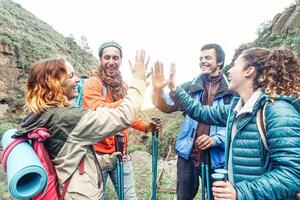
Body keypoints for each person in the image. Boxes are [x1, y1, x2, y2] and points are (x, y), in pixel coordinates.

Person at [152, 47, 300, 200]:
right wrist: (173, 88)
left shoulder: (279, 112)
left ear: (249, 71)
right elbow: (202, 112)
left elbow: (294, 173)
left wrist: (240, 192)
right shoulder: (236, 108)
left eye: (235, 65)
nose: (229, 71)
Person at [14, 49, 149, 199]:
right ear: (54, 83)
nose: (77, 80)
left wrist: (106, 160)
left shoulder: (42, 114)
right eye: (71, 76)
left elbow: (68, 158)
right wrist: (139, 79)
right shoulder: (67, 119)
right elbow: (123, 116)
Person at [151, 43, 234, 199]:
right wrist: (157, 90)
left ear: (220, 62)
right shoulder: (190, 87)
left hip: (217, 158)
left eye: (208, 58)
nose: (202, 61)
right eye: (201, 58)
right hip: (188, 155)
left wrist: (216, 139)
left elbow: (234, 122)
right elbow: (167, 106)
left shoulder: (231, 89)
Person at [82, 41, 161, 200]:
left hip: (121, 154)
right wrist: (129, 100)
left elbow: (127, 116)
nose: (111, 62)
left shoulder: (122, 86)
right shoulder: (93, 83)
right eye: (107, 58)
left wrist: (146, 126)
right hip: (97, 156)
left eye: (116, 58)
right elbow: (99, 110)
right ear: (100, 60)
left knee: (129, 197)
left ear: (120, 61)